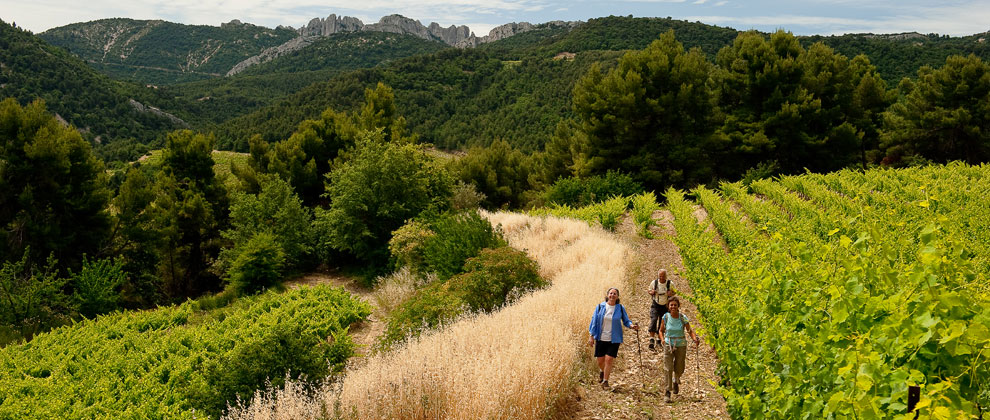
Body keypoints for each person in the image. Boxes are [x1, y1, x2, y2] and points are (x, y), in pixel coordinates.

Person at [588, 287, 639, 390]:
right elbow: (594, 321)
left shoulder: (620, 308)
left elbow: (626, 320)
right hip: (601, 338)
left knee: (609, 359)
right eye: (611, 293)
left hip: (614, 338)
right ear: (607, 295)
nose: (612, 295)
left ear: (617, 296)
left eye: (614, 294)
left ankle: (605, 381)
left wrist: (631, 326)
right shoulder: (600, 307)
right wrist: (591, 336)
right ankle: (602, 371)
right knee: (600, 361)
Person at [659, 296, 699, 402]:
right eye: (671, 305)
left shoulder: (683, 317)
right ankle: (667, 391)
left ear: (678, 306)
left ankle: (676, 379)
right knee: (668, 367)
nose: (673, 307)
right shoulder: (666, 317)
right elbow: (661, 330)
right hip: (668, 344)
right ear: (668, 306)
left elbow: (689, 330)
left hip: (681, 344)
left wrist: (694, 339)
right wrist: (662, 340)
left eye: (675, 305)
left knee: (680, 366)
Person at [647, 268, 674, 351]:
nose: (661, 278)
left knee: (662, 322)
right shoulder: (654, 283)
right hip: (656, 304)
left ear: (666, 276)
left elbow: (675, 292)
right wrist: (651, 292)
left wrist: (671, 293)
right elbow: (649, 290)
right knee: (654, 319)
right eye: (660, 276)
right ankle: (651, 339)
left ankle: (659, 339)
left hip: (665, 305)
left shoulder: (670, 283)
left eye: (663, 276)